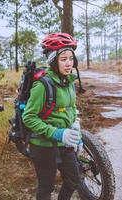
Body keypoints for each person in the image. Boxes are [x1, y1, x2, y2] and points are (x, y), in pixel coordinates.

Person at [22, 32, 83, 200]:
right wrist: (57, 133)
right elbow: (28, 117)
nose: (69, 63)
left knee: (73, 180)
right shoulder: (42, 85)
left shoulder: (69, 81)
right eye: (63, 59)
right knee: (46, 187)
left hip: (64, 142)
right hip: (43, 144)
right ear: (53, 61)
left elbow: (71, 107)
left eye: (71, 58)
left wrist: (76, 126)